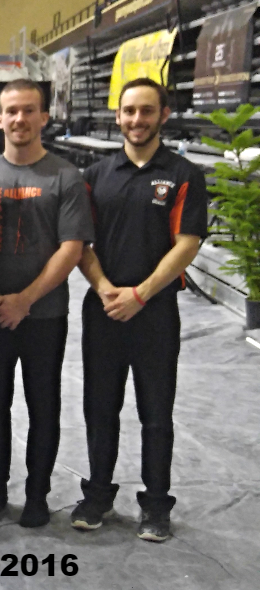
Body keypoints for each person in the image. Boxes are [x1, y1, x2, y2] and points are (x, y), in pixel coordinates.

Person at [72, 78, 207, 542]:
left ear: (163, 115)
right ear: (118, 116)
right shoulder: (96, 175)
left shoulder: (184, 174)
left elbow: (187, 244)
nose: (136, 119)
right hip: (104, 310)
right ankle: (97, 495)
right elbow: (80, 243)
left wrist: (141, 294)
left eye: (147, 110)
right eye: (129, 111)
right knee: (99, 408)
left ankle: (155, 505)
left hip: (155, 312)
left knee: (156, 412)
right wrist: (106, 288)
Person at [0, 79, 94, 528]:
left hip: (44, 314)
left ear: (44, 117)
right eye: (12, 111)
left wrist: (24, 300)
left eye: (29, 110)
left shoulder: (65, 176)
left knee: (44, 405)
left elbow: (71, 248)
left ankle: (37, 495)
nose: (20, 119)